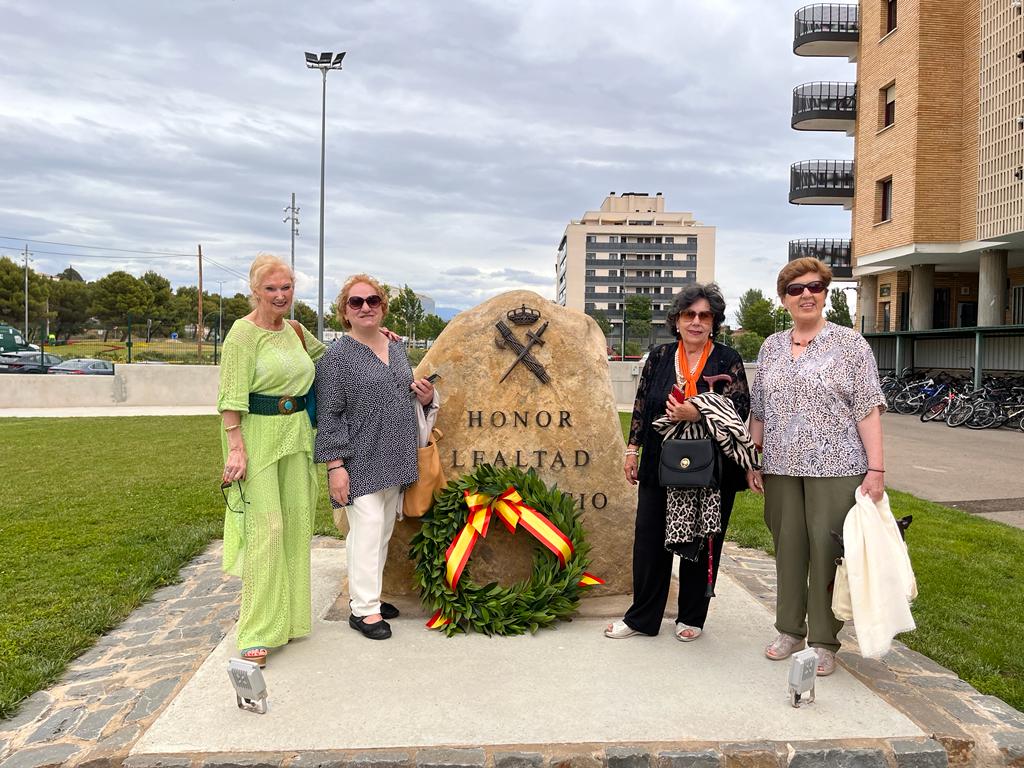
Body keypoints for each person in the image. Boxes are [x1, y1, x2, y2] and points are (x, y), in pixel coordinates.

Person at [747, 257, 886, 677]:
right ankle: (789, 629)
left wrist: (876, 470)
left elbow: (868, 409)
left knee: (828, 553)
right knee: (788, 548)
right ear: (784, 299)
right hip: (780, 466)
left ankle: (824, 640)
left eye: (815, 287)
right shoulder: (771, 346)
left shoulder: (851, 345)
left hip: (837, 465)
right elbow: (760, 409)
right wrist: (753, 459)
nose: (806, 294)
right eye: (796, 289)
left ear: (825, 294)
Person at [606, 283, 754, 642]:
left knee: (703, 540)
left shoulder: (727, 359)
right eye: (690, 314)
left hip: (711, 468)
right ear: (677, 320)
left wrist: (698, 411)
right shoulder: (659, 356)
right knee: (649, 541)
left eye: (705, 315)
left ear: (714, 322)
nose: (696, 322)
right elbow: (642, 404)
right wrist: (632, 450)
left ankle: (691, 616)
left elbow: (740, 408)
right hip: (661, 463)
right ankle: (642, 617)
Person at [314, 274, 435, 640]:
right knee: (366, 531)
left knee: (380, 533)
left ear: (382, 307)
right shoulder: (336, 358)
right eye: (356, 302)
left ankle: (369, 597)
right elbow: (330, 415)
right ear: (344, 312)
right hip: (358, 459)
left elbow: (401, 392)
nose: (365, 307)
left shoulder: (395, 347)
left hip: (394, 455)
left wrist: (425, 397)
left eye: (372, 301)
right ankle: (364, 611)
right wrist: (335, 467)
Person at [218, 254, 325, 667]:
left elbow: (332, 360)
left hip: (296, 436)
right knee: (268, 531)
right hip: (257, 437)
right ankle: (257, 631)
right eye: (271, 289)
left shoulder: (295, 330)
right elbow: (230, 396)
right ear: (255, 291)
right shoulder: (242, 335)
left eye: (286, 287)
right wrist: (236, 448)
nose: (280, 296)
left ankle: (290, 620)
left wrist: (373, 338)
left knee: (296, 526)